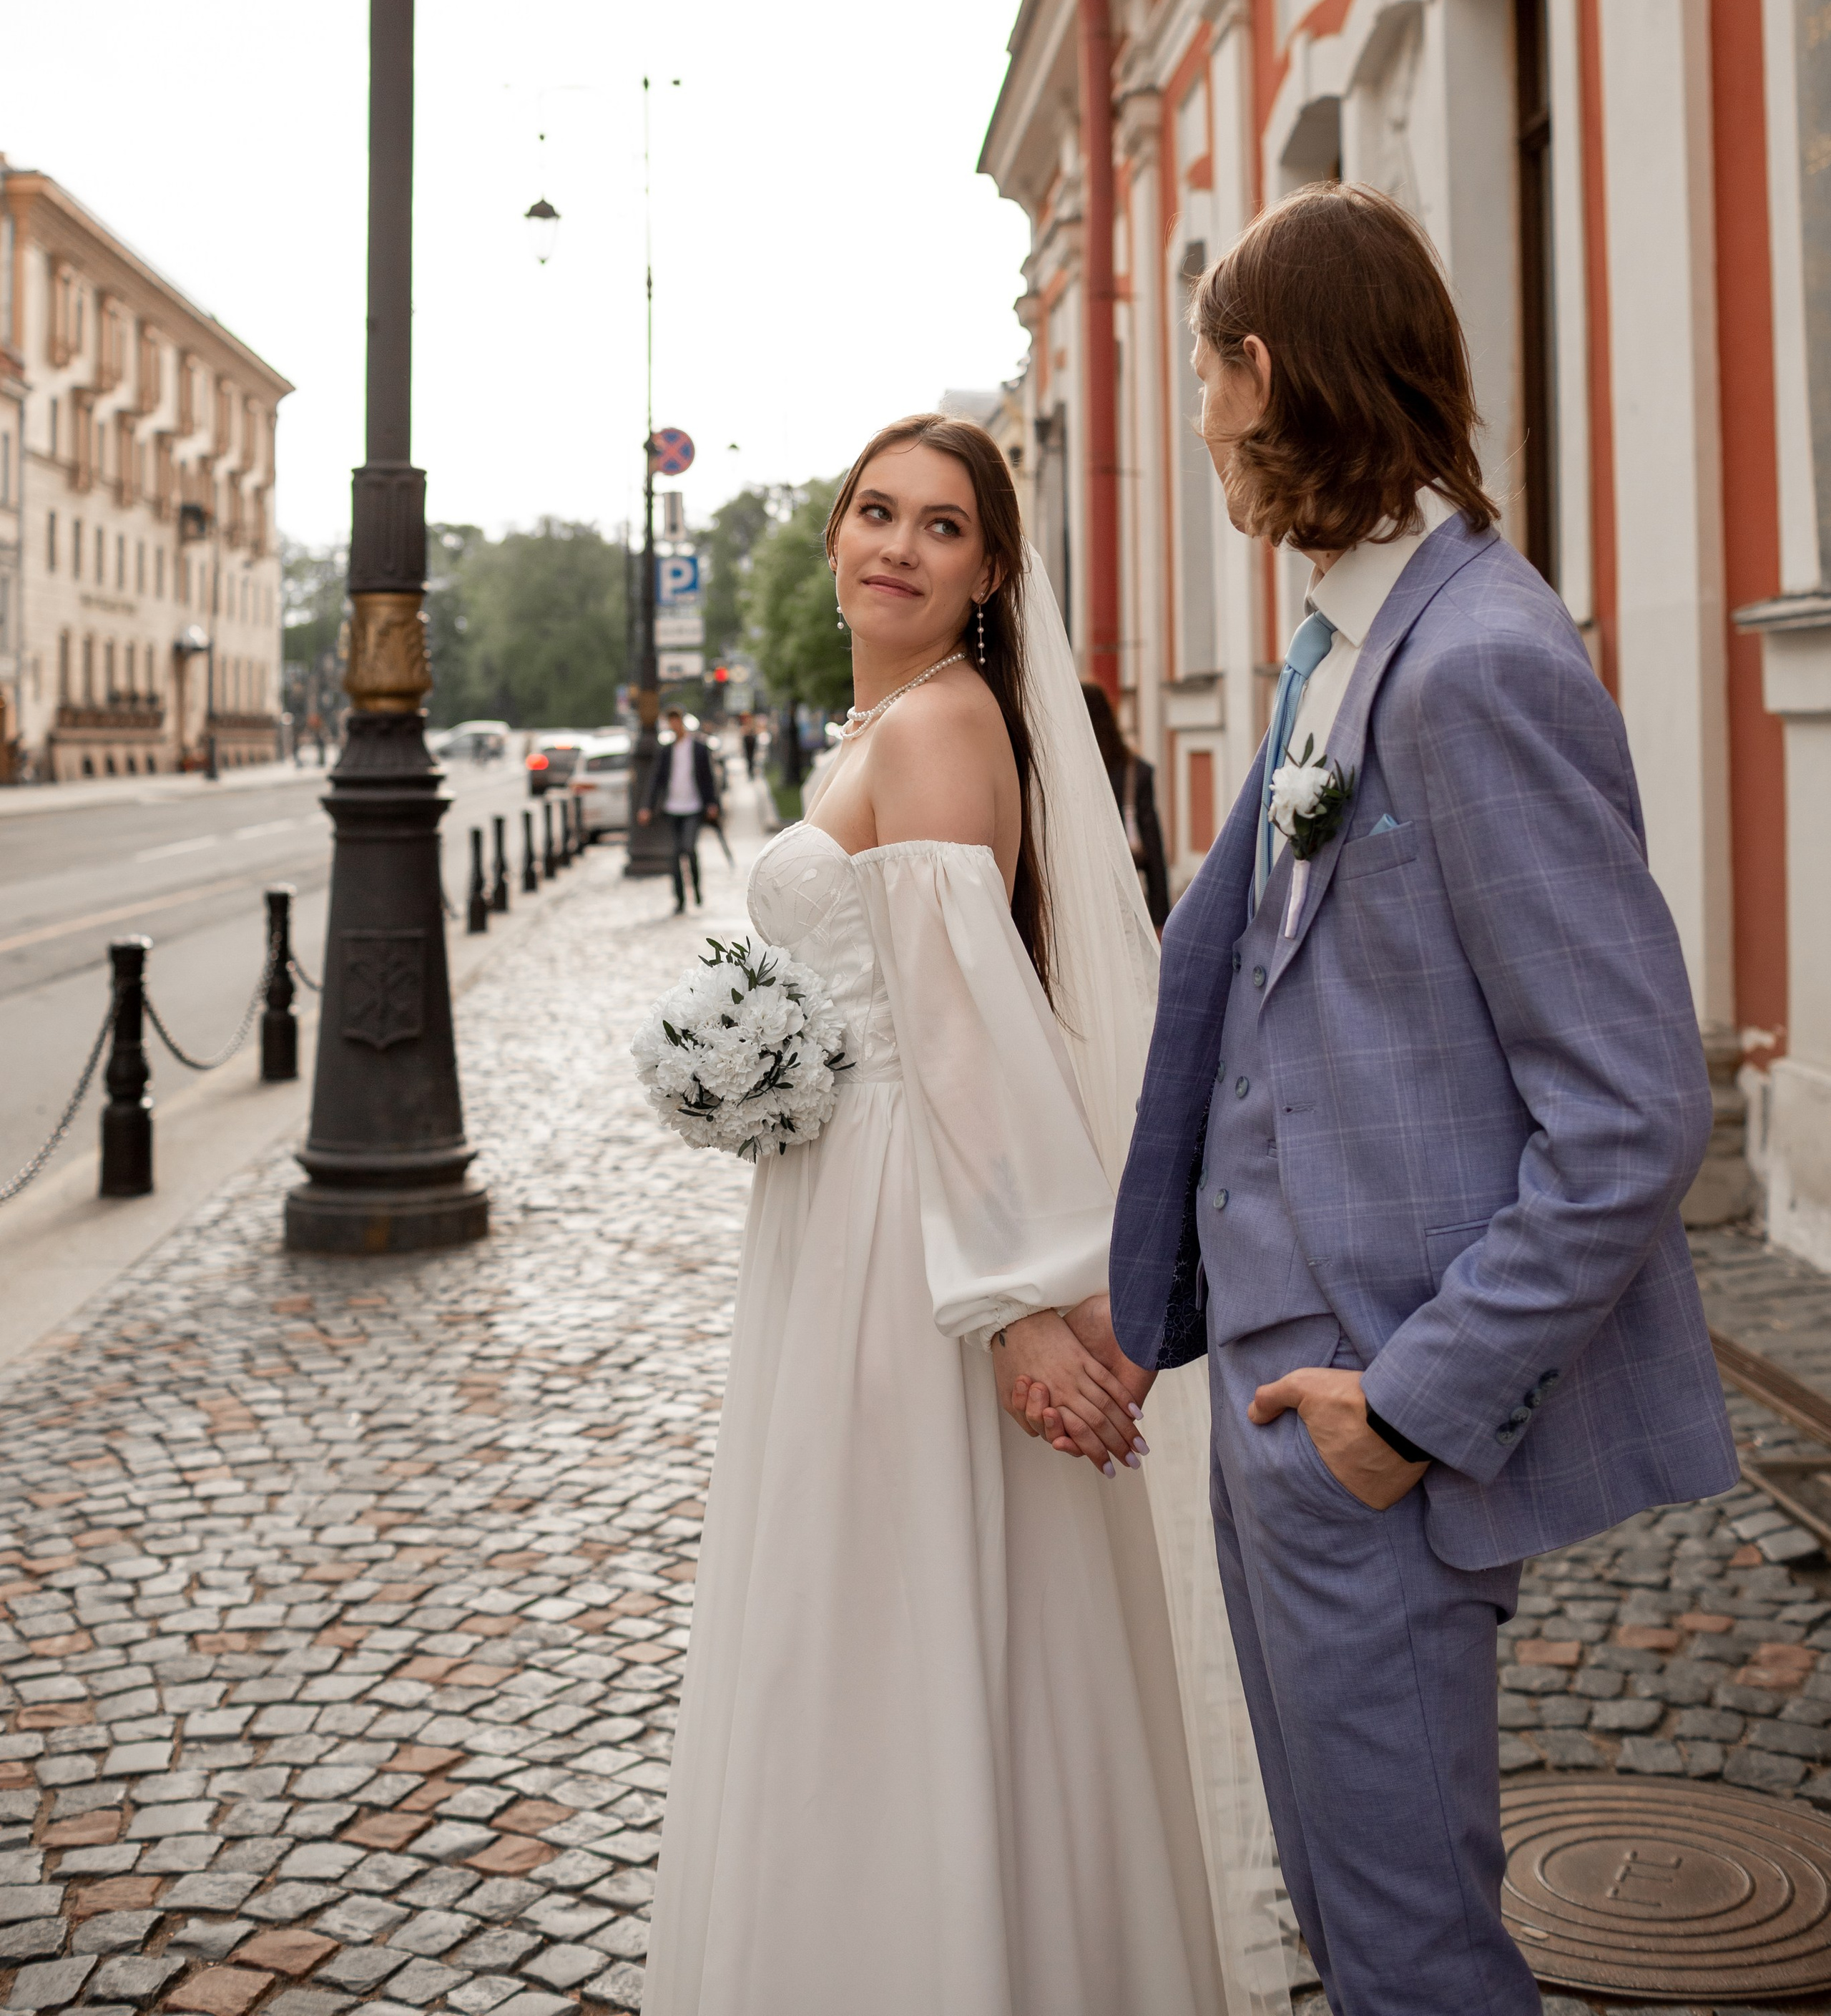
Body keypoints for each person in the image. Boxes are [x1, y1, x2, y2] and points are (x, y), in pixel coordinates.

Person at [1088, 185, 1735, 2016]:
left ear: (1263, 370)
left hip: (1370, 1408)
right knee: (1339, 1910)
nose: (1201, 428)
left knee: (1414, 1953)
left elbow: (1625, 1112)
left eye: (1207, 372)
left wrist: (1413, 1408)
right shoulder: (1343, 639)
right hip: (1276, 1384)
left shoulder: (1477, 662)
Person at [643, 415, 1287, 2016]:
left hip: (908, 1242)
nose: (896, 547)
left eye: (941, 528)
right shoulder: (883, 721)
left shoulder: (937, 728)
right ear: (832, 537)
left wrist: (1011, 1306)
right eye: (874, 512)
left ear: (992, 570)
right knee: (859, 1621)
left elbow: (962, 1038)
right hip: (845, 1210)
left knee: (888, 1626)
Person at [1083, 679, 1171, 930]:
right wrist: (1160, 920)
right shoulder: (1136, 771)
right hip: (1126, 904)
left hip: (1080, 898)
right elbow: (1154, 851)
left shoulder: (1061, 772)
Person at [637, 710, 721, 914]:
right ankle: (680, 899)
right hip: (673, 808)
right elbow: (656, 780)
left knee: (689, 849)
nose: (674, 725)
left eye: (676, 721)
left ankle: (697, 890)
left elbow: (708, 778)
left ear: (682, 723)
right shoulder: (666, 751)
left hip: (693, 807)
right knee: (675, 855)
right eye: (670, 722)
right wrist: (646, 806)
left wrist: (712, 803)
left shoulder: (699, 748)